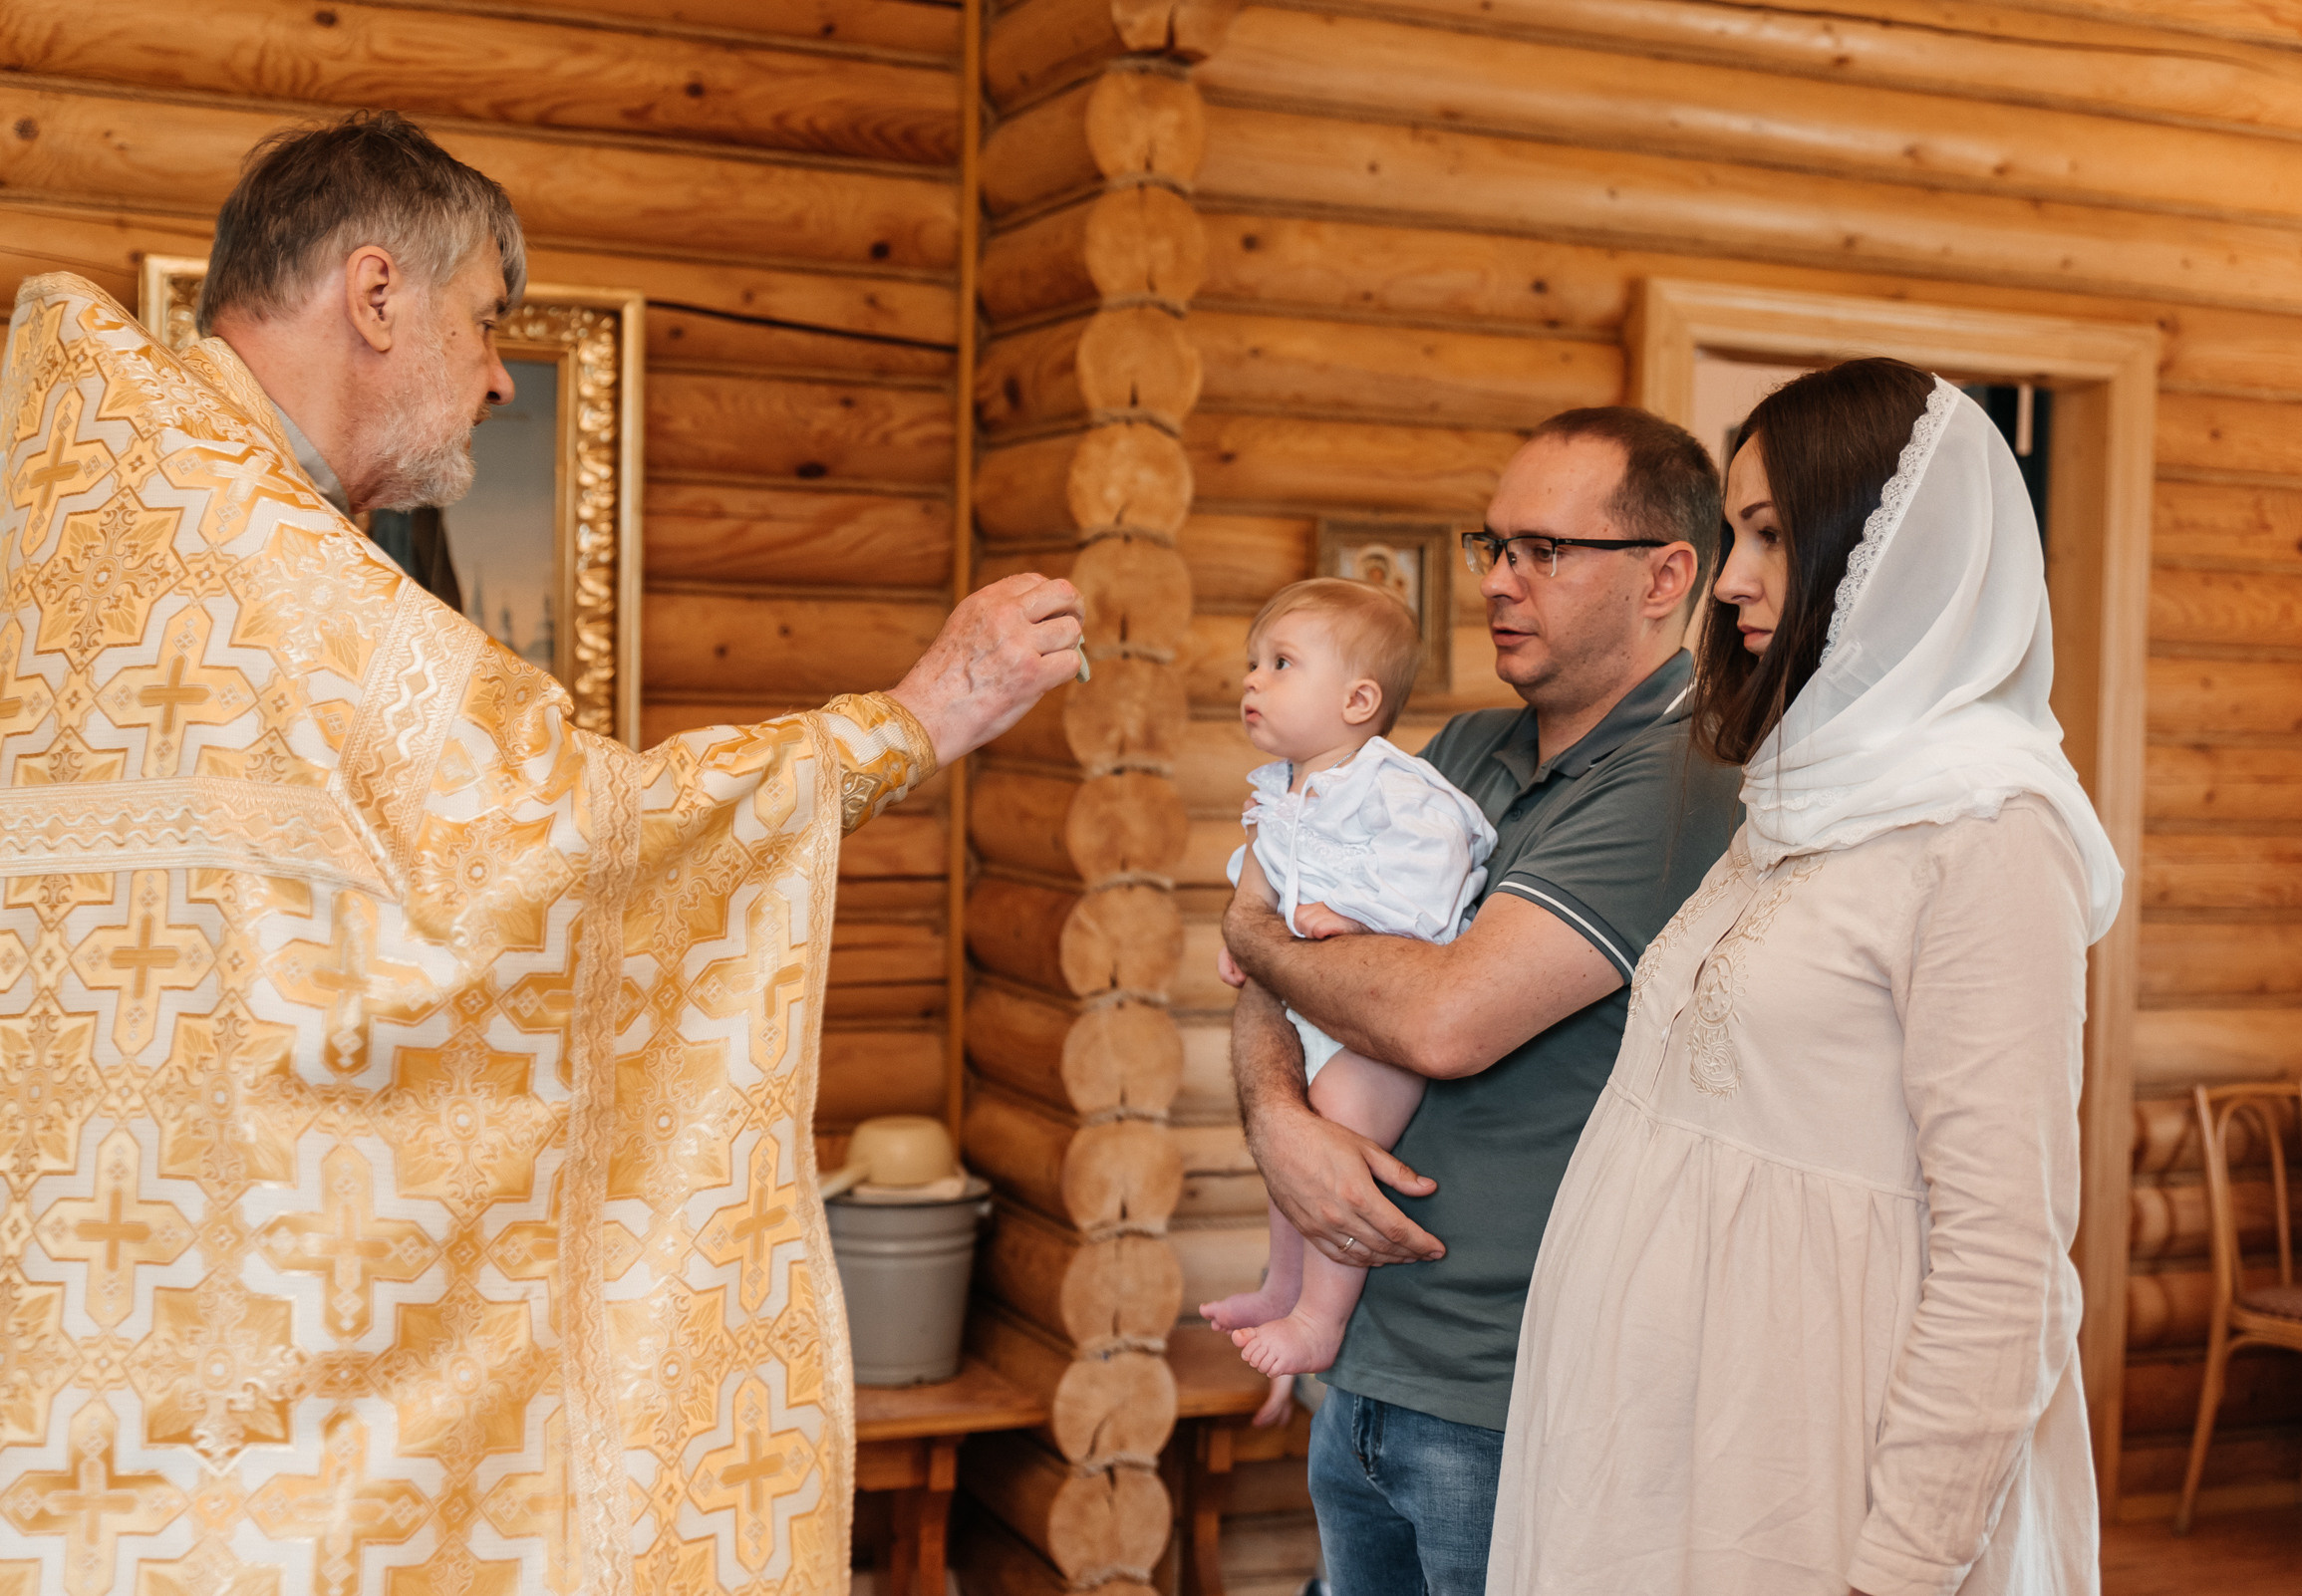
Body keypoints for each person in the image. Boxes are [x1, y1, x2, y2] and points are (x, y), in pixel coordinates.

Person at [0, 112, 1081, 1592]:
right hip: (250, 1436)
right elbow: (579, 847)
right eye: (486, 316)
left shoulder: (87, 504)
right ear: (377, 297)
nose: (505, 372)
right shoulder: (274, 566)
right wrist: (908, 720)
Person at [1490, 360, 2123, 1596]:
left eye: (1772, 536)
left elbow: (2007, 1261)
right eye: (1736, 534)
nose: (1729, 580)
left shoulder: (1989, 833)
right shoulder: (1798, 793)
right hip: (1653, 1454)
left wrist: (1898, 1569)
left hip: (1809, 1466)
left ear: (1886, 551)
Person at [1219, 410, 1745, 1593]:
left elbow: (1441, 1020)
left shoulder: (1684, 780)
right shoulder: (1456, 750)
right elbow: (1283, 948)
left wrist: (1255, 931)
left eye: (1543, 551)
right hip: (1361, 1359)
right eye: (1492, 545)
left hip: (1506, 1392)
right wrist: (1279, 1121)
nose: (1500, 582)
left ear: (1667, 576)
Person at [1198, 579, 1497, 1381]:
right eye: (1254, 663)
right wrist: (1247, 936)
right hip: (1314, 1004)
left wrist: (1359, 918)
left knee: (1336, 1136)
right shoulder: (1283, 790)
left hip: (1382, 1016)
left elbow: (1437, 876)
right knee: (1289, 1130)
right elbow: (1260, 881)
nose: (1254, 680)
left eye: (1282, 663)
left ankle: (1320, 1322)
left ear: (1359, 699)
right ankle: (1282, 1285)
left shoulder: (1397, 788)